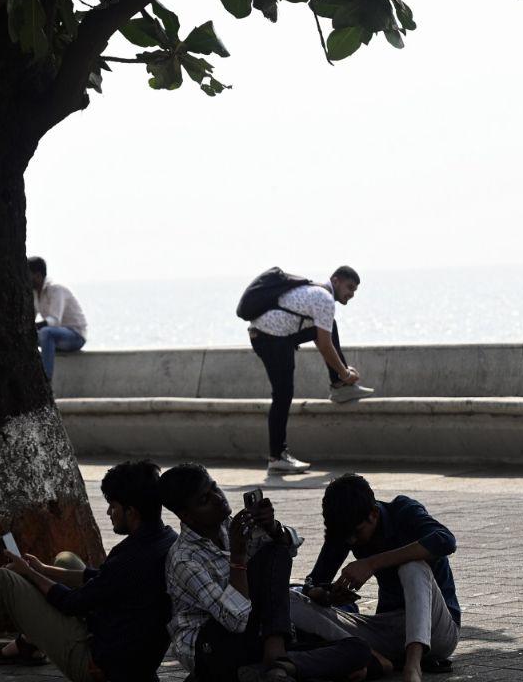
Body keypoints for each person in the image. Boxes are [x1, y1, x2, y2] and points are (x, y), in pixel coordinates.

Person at [0, 460, 178, 682]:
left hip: (97, 666)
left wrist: (30, 574)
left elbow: (69, 604)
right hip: (125, 649)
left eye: (113, 508)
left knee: (2, 580)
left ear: (131, 512)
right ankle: (29, 645)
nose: (109, 514)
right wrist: (44, 569)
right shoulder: (163, 539)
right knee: (66, 561)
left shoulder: (131, 556)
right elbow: (104, 581)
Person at [160, 463, 372, 682]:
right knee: (272, 554)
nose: (217, 498)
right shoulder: (184, 558)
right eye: (205, 500)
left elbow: (287, 552)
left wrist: (273, 528)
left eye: (215, 488)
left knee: (358, 650)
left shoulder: (228, 527)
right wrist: (238, 558)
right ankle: (277, 660)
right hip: (212, 648)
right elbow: (235, 620)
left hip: (257, 636)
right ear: (187, 516)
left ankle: (273, 668)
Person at [290, 474, 460, 682]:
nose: (352, 540)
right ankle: (373, 657)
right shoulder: (345, 531)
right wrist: (324, 595)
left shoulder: (403, 511)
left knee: (413, 567)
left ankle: (413, 666)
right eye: (346, 536)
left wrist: (371, 563)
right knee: (290, 598)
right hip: (387, 631)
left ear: (373, 514)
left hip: (436, 632)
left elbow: (445, 541)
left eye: (357, 532)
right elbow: (314, 581)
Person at [248, 266, 373, 474]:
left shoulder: (315, 292)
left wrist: (341, 371)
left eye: (355, 291)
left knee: (327, 326)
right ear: (335, 280)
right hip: (271, 338)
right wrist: (346, 373)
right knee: (282, 394)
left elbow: (320, 336)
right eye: (349, 287)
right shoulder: (324, 298)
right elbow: (324, 345)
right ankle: (277, 457)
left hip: (270, 336)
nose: (351, 294)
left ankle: (339, 386)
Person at [29, 256, 88, 379]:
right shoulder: (34, 294)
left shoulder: (56, 290)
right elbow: (31, 318)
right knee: (27, 337)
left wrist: (35, 327)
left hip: (75, 336)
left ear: (38, 275)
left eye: (29, 275)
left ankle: (46, 380)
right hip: (53, 336)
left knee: (45, 332)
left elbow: (54, 321)